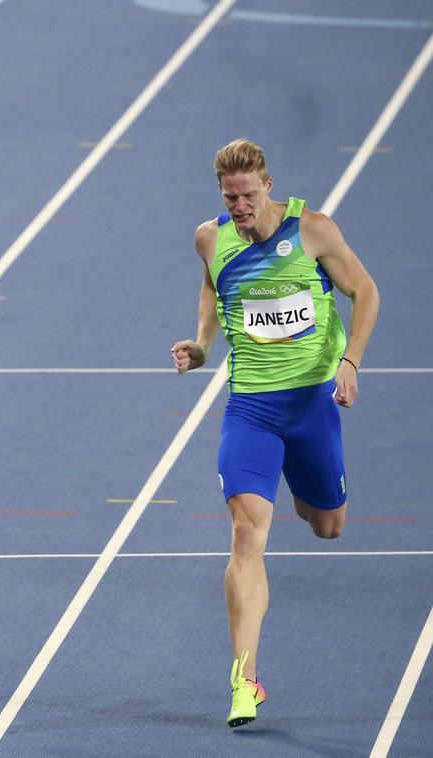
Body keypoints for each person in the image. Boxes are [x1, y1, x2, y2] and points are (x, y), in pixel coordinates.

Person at [171, 139, 379, 728]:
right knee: (245, 535)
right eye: (229, 198)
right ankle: (245, 680)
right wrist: (203, 344)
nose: (239, 207)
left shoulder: (313, 230)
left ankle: (305, 486)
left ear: (268, 185)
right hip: (252, 411)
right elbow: (213, 284)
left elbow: (366, 293)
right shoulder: (210, 237)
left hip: (312, 406)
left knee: (327, 526)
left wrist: (351, 363)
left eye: (247, 195)